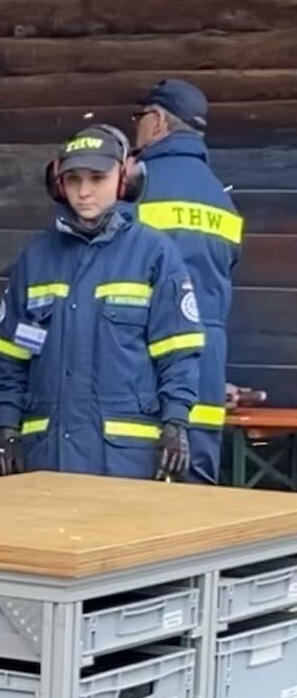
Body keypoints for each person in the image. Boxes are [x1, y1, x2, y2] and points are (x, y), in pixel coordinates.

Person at [0, 124, 204, 481]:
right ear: (58, 184)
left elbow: (178, 352)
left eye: (97, 178)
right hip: (47, 457)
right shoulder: (36, 259)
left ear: (125, 180)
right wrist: (5, 427)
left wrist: (176, 421)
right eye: (73, 180)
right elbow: (11, 357)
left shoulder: (154, 254)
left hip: (124, 463)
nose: (84, 192)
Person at [131, 78, 243, 484]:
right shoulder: (219, 196)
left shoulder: (136, 187)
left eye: (139, 118)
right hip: (207, 369)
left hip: (144, 367)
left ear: (157, 122)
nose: (136, 126)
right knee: (195, 496)